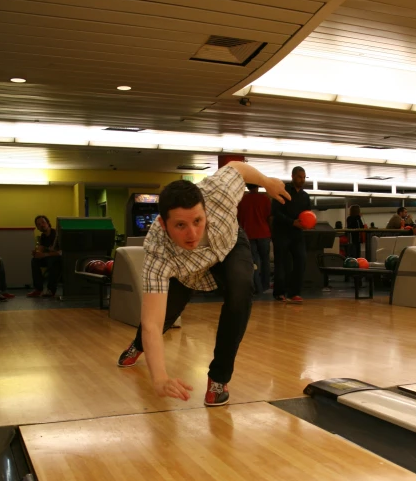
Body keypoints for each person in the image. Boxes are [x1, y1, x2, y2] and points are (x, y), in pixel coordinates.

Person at [117, 161, 289, 406]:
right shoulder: (157, 252)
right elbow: (152, 325)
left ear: (205, 210)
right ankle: (138, 346)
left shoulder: (218, 192)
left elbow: (237, 167)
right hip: (185, 270)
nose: (192, 234)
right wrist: (160, 377)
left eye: (197, 221)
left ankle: (219, 378)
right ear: (163, 225)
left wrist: (267, 182)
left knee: (241, 289)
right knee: (166, 316)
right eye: (180, 225)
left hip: (228, 246)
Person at [271, 166, 311, 303]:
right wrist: (291, 222)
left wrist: (307, 224)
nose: (302, 179)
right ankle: (279, 292)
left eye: (304, 177)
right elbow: (275, 213)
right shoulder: (283, 192)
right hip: (281, 232)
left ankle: (295, 293)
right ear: (293, 176)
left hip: (297, 234)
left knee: (301, 260)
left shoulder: (305, 196)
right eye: (300, 177)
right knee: (281, 263)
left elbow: (307, 214)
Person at [237, 183, 272, 294]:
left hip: (249, 234)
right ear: (258, 186)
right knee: (265, 261)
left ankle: (257, 287)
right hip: (264, 233)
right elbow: (269, 217)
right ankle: (266, 286)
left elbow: (238, 218)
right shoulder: (264, 199)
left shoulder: (242, 200)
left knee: (254, 262)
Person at [28, 215, 62, 297]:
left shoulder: (56, 234)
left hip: (58, 259)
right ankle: (38, 289)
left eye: (43, 222)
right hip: (48, 258)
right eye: (39, 224)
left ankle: (51, 290)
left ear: (48, 223)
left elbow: (60, 252)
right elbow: (41, 248)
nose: (41, 225)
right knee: (35, 261)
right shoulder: (43, 236)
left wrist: (44, 254)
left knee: (53, 261)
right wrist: (36, 253)